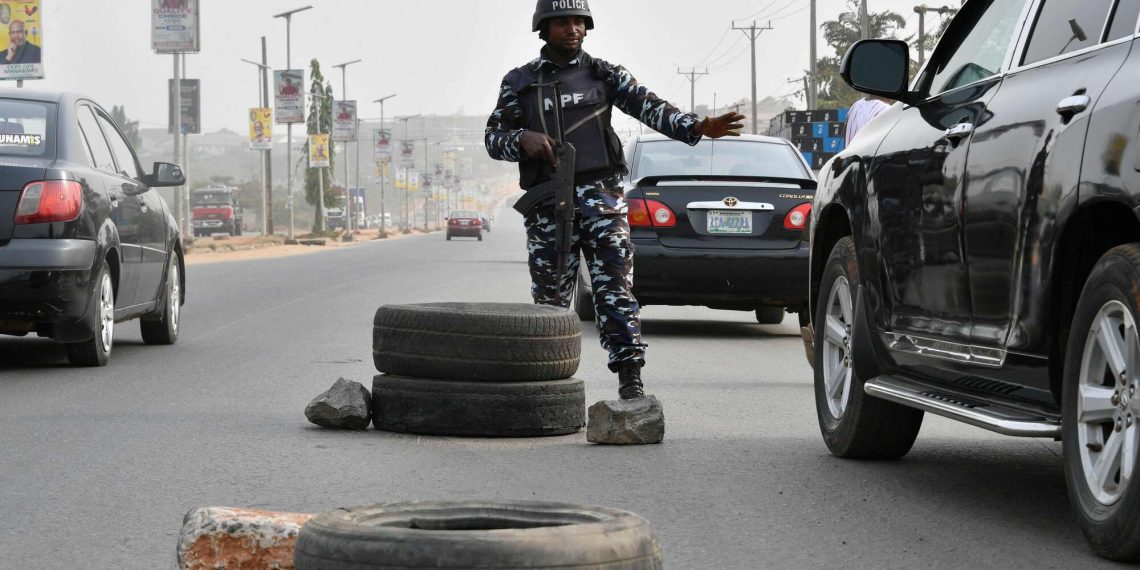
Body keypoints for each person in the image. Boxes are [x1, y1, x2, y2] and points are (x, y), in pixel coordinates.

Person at [485, 0, 744, 400]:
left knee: (616, 293)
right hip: (549, 203)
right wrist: (522, 139)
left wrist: (697, 127)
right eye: (562, 23)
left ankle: (630, 376)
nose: (572, 29)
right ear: (543, 28)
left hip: (602, 200)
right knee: (550, 301)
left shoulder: (605, 75)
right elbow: (492, 139)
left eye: (579, 22)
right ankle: (549, 382)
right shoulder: (519, 82)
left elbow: (650, 107)